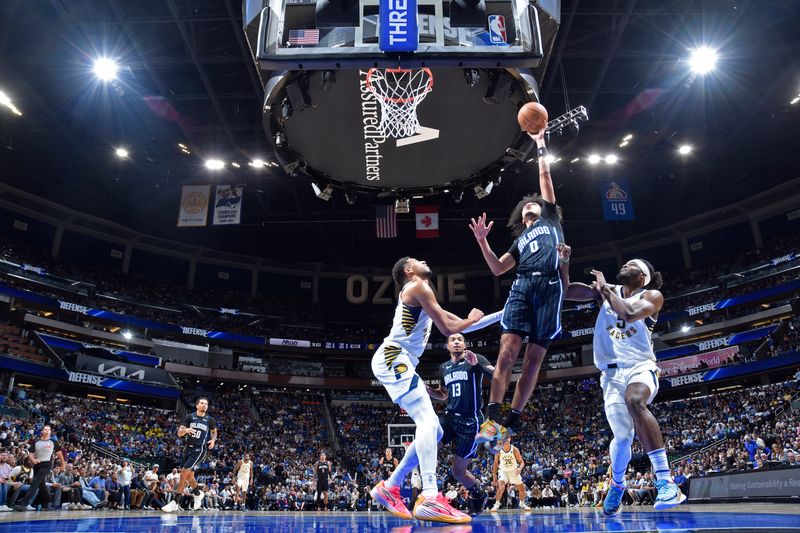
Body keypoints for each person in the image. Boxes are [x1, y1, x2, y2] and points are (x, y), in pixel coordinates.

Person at [563, 256, 686, 514]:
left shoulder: (652, 295)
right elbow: (566, 292)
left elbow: (629, 314)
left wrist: (605, 290)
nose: (624, 266)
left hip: (640, 366)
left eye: (631, 266)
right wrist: (563, 264)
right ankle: (617, 484)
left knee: (635, 401)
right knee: (622, 436)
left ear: (642, 277)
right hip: (610, 376)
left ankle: (665, 480)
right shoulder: (609, 291)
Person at [469, 128, 567, 447]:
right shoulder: (520, 240)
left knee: (532, 361)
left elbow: (545, 178)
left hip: (550, 289)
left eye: (534, 203)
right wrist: (483, 242)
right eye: (525, 206)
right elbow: (498, 268)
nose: (529, 205)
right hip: (523, 287)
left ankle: (513, 417)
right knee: (507, 353)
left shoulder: (551, 220)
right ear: (520, 216)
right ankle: (492, 419)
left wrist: (540, 145)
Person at [370, 256, 484, 524]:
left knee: (437, 430)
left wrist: (480, 319)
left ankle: (391, 486)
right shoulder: (417, 286)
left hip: (398, 361)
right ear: (409, 271)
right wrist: (469, 321)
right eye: (416, 260)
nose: (424, 260)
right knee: (428, 421)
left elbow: (453, 319)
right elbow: (448, 328)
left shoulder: (423, 293)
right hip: (393, 356)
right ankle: (431, 496)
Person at [426, 333, 494, 514]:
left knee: (457, 472)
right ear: (447, 346)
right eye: (452, 340)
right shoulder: (444, 367)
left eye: (460, 339)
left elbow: (498, 375)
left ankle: (478, 493)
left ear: (465, 344)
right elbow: (444, 394)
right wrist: (429, 392)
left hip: (470, 421)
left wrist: (477, 364)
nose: (456, 342)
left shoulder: (475, 358)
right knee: (427, 446)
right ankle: (429, 494)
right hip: (449, 418)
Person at [162, 397, 217, 512]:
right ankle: (198, 493)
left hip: (200, 450)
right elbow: (179, 433)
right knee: (189, 476)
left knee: (183, 473)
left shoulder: (210, 420)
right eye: (202, 403)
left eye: (206, 404)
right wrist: (186, 431)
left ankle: (175, 502)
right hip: (187, 449)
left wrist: (213, 440)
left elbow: (214, 431)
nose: (204, 405)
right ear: (197, 405)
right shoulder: (189, 417)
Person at [16, 424, 65, 512]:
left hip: (47, 464)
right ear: (42, 431)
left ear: (50, 432)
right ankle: (48, 502)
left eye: (48, 429)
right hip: (37, 464)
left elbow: (59, 454)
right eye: (45, 429)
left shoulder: (53, 441)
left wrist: (63, 464)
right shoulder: (36, 442)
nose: (47, 431)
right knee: (41, 485)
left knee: (35, 482)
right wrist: (33, 460)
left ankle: (23, 504)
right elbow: (30, 453)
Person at [490, 436, 530, 512]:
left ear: (510, 439)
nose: (506, 439)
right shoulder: (498, 450)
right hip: (503, 471)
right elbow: (495, 463)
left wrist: (519, 469)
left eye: (507, 438)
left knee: (521, 489)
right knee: (501, 488)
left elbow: (522, 462)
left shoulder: (514, 449)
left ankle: (522, 503)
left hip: (513, 471)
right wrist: (494, 475)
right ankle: (496, 504)